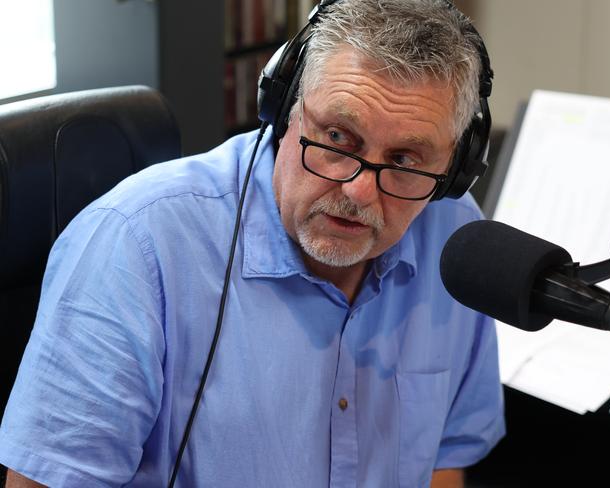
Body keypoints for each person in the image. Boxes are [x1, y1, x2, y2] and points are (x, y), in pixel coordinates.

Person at [0, 0, 504, 486]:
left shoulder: (456, 242)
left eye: (406, 161)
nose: (359, 190)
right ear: (284, 110)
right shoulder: (137, 246)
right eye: (337, 138)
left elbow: (443, 460)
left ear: (455, 168)